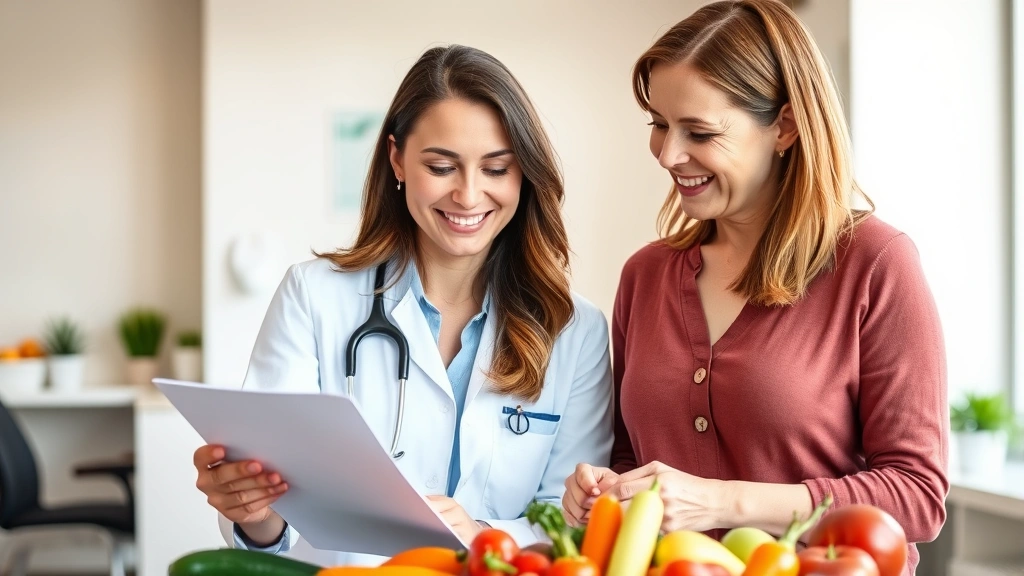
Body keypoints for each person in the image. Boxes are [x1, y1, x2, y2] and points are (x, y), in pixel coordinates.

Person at [562, 2, 947, 574]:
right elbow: (630, 459)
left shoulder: (876, 264)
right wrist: (603, 492)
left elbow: (917, 496)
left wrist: (722, 501)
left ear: (784, 127)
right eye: (659, 124)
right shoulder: (645, 276)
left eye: (699, 132)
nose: (668, 154)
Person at [191, 44, 613, 565]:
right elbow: (275, 508)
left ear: (523, 174)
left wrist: (481, 533)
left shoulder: (575, 330)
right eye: (442, 166)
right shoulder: (313, 296)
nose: (468, 195)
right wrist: (252, 511)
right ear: (397, 158)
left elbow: (574, 522)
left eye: (496, 169)